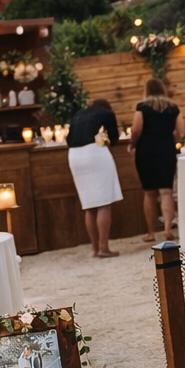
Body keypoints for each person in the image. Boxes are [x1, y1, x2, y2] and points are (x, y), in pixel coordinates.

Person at [129, 77, 185, 242]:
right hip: (166, 150)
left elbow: (136, 130)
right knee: (166, 191)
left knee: (149, 192)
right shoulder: (173, 108)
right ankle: (168, 229)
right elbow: (181, 131)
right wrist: (167, 136)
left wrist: (132, 145)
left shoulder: (142, 107)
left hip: (146, 151)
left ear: (147, 90)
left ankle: (151, 232)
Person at [67, 96, 122, 258]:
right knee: (104, 202)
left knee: (89, 204)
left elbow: (69, 138)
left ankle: (95, 248)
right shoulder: (107, 113)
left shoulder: (78, 114)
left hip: (74, 155)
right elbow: (114, 138)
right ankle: (103, 248)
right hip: (94, 153)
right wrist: (104, 139)